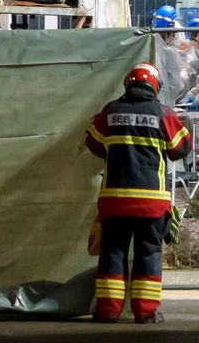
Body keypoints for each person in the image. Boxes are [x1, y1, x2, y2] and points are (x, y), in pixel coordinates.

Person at [85, 63, 192, 324]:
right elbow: (182, 147)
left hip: (115, 202)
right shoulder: (162, 113)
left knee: (113, 253)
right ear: (154, 86)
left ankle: (108, 311)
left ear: (128, 84)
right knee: (148, 254)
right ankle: (145, 313)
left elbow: (93, 144)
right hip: (150, 204)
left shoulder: (109, 111)